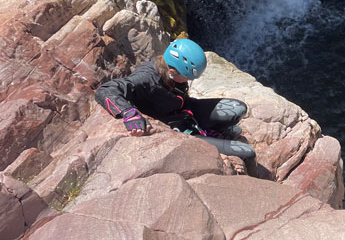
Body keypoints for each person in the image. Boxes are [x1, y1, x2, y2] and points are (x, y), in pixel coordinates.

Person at [95, 38, 257, 175]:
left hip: (187, 110)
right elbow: (105, 90)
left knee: (238, 108)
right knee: (247, 152)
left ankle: (216, 132)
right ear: (173, 71)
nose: (187, 81)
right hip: (179, 128)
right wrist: (128, 113)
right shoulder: (146, 79)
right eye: (186, 77)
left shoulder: (168, 69)